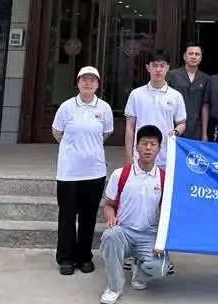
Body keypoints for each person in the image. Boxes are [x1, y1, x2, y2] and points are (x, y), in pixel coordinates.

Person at [51, 65, 114, 276]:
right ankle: (66, 258)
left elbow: (106, 133)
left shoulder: (104, 108)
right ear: (77, 83)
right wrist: (73, 149)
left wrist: (89, 149)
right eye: (84, 79)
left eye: (92, 80)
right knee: (67, 216)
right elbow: (57, 132)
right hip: (69, 172)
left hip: (94, 171)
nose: (88, 83)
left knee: (88, 216)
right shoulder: (67, 107)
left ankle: (84, 257)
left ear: (98, 84)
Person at [100, 125, 171, 304]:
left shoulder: (164, 178)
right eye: (144, 143)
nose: (148, 148)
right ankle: (114, 287)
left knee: (161, 268)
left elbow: (167, 213)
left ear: (159, 149)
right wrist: (111, 219)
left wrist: (162, 240)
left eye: (153, 144)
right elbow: (108, 206)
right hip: (124, 232)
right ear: (136, 147)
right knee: (110, 235)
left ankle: (139, 272)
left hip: (149, 234)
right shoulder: (121, 174)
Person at [124, 49, 187, 169]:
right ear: (148, 67)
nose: (158, 70)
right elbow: (130, 127)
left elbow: (182, 123)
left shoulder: (176, 96)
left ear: (168, 67)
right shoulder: (136, 94)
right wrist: (128, 156)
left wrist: (175, 132)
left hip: (166, 157)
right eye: (154, 65)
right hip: (139, 157)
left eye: (162, 66)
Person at [165, 42, 209, 140]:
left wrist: (204, 134)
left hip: (196, 130)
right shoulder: (172, 75)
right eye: (190, 53)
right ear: (184, 56)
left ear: (201, 58)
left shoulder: (205, 79)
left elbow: (205, 106)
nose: (193, 57)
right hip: (174, 127)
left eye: (197, 54)